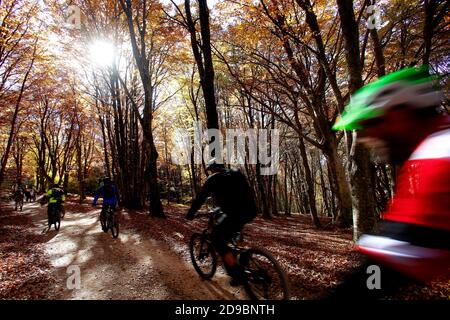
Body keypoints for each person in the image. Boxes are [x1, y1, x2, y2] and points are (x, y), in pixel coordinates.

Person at [329, 65, 450, 298]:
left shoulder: (439, 155)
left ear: (399, 114)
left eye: (370, 124)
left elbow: (392, 263)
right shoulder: (428, 152)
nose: (365, 138)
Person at [185, 159, 258, 286]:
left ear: (213, 169)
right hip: (251, 211)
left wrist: (191, 213)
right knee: (230, 231)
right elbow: (240, 194)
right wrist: (221, 208)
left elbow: (200, 198)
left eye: (211, 170)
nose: (211, 172)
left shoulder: (213, 179)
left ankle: (237, 271)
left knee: (216, 238)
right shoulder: (236, 172)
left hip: (234, 213)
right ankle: (242, 256)